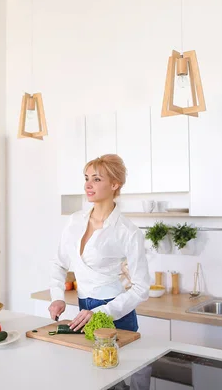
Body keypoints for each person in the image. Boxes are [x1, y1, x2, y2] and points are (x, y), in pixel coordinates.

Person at [48, 154, 153, 389]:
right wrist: (57, 297)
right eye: (86, 178)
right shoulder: (74, 221)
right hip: (84, 310)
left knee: (121, 379)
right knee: (94, 379)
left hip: (116, 313)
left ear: (114, 184)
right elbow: (58, 262)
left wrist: (102, 313)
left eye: (96, 179)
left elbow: (141, 288)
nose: (88, 184)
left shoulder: (128, 231)